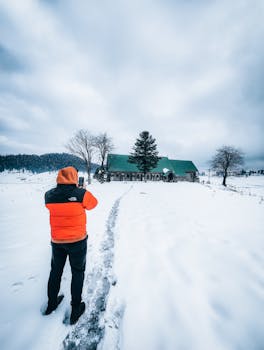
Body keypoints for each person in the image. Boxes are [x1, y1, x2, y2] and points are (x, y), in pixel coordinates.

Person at [43, 166, 98, 324]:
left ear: (59, 178)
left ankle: (51, 304)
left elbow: (51, 206)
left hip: (57, 241)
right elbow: (93, 204)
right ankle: (75, 309)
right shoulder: (81, 194)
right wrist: (81, 191)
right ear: (74, 178)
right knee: (78, 272)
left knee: (55, 272)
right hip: (78, 241)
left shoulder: (49, 195)